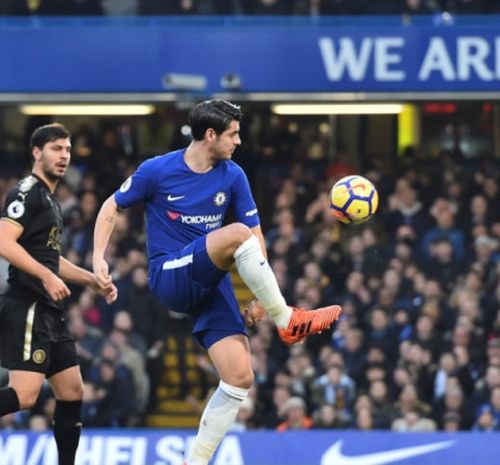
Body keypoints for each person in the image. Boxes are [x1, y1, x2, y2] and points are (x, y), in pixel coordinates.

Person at [92, 100, 341, 465]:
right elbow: (110, 207)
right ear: (210, 135)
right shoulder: (157, 170)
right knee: (236, 233)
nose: (239, 141)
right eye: (233, 134)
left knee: (240, 377)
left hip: (211, 280)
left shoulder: (233, 175)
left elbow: (256, 236)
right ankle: (287, 320)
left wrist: (260, 296)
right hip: (170, 275)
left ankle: (195, 462)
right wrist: (99, 257)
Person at [0, 123, 117, 465]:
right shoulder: (27, 191)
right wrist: (44, 276)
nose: (64, 156)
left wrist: (92, 280)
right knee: (24, 397)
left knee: (72, 391)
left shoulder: (50, 199)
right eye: (56, 149)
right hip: (27, 305)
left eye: (67, 150)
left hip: (48, 309)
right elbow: (4, 241)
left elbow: (51, 258)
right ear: (37, 153)